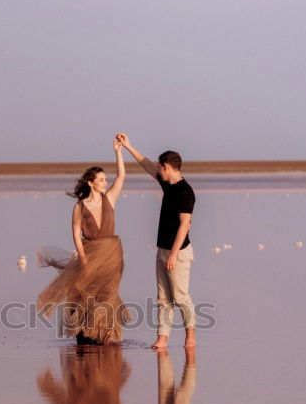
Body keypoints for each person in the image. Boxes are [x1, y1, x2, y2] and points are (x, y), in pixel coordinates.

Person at [38, 140, 127, 345]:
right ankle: (84, 332)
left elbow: (122, 176)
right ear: (91, 183)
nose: (105, 182)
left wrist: (118, 152)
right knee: (83, 292)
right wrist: (84, 258)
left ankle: (105, 335)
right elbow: (76, 233)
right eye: (101, 180)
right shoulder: (80, 207)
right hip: (89, 253)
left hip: (111, 255)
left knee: (107, 295)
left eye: (106, 179)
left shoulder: (110, 199)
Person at [116, 134, 195, 351]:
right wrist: (128, 146)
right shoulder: (168, 184)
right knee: (163, 299)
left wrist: (172, 255)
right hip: (162, 249)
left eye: (160, 167)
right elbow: (146, 165)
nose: (157, 170)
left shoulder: (185, 192)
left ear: (168, 167)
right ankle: (162, 338)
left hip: (178, 253)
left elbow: (185, 225)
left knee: (180, 297)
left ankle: (190, 336)